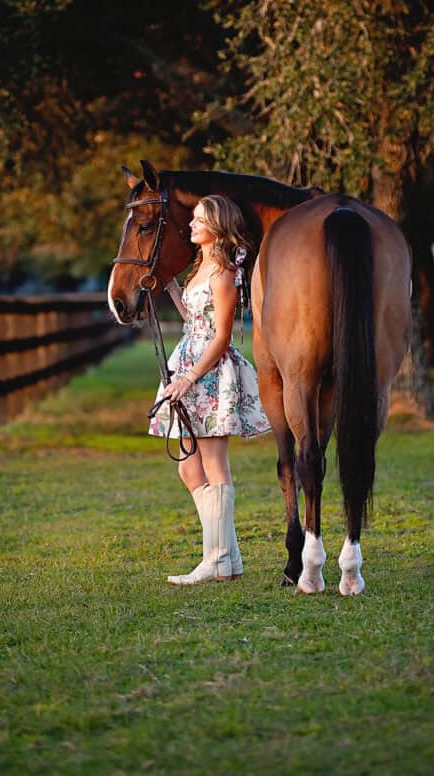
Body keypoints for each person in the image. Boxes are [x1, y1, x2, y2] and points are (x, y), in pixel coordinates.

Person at [149, 195, 271, 584]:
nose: (191, 226)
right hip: (187, 359)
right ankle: (227, 558)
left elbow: (220, 337)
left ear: (217, 227)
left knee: (215, 463)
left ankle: (216, 560)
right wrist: (170, 290)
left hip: (208, 372)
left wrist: (189, 378)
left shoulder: (224, 276)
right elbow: (196, 322)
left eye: (199, 220)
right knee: (188, 466)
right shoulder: (200, 269)